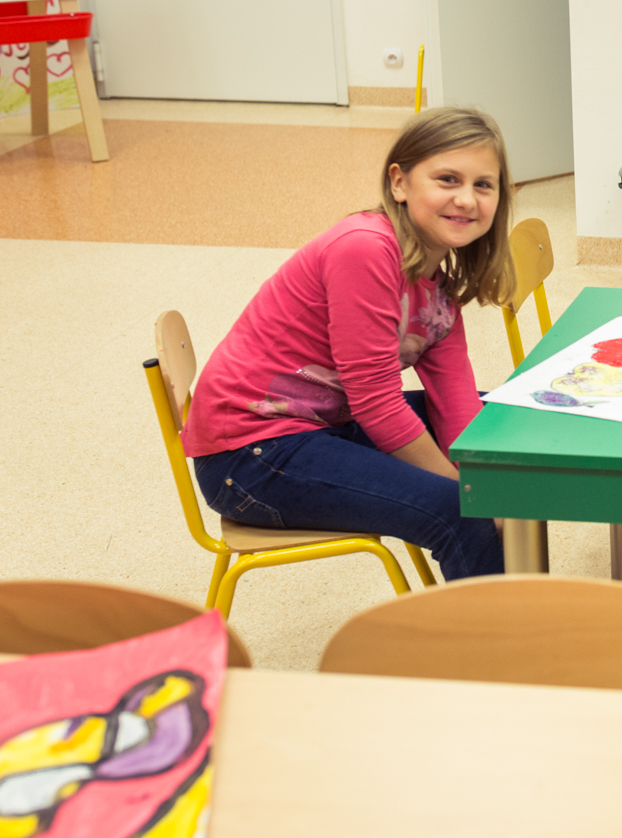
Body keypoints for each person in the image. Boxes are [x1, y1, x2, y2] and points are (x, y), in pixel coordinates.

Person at [184, 108, 511, 581]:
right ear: (399, 183)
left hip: (328, 424)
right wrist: (473, 496)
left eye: (483, 185)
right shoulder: (365, 248)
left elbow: (455, 401)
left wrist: (489, 481)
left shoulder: (437, 279)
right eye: (447, 179)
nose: (466, 199)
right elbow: (377, 403)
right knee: (458, 510)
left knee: (507, 432)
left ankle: (520, 597)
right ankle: (503, 626)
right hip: (250, 454)